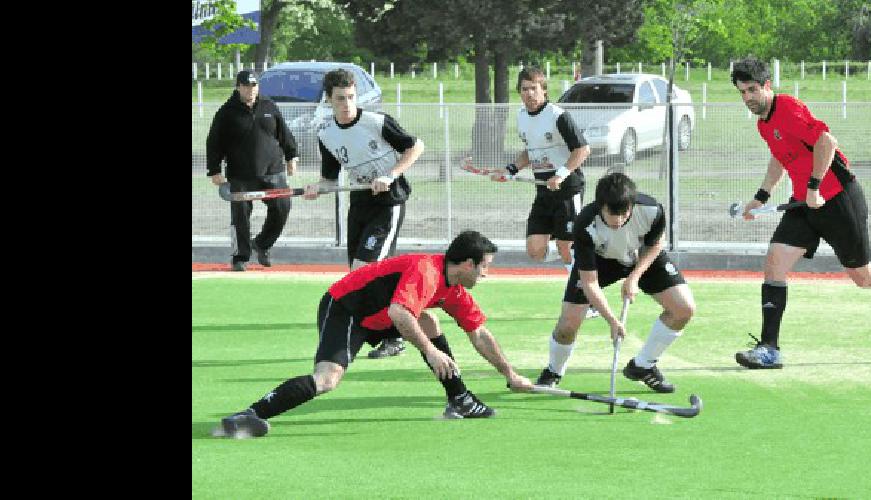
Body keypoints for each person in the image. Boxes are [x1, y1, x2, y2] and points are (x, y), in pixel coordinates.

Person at [728, 57, 871, 370]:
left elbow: (827, 143)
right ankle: (769, 349)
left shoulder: (788, 108)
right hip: (804, 204)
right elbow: (780, 159)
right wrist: (760, 197)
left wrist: (815, 186)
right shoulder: (764, 123)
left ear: (766, 86)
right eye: (741, 92)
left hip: (839, 200)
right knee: (775, 260)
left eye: (751, 90)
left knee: (864, 276)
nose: (747, 98)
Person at [216, 230, 535, 438]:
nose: (486, 273)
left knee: (429, 323)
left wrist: (511, 374)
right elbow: (400, 312)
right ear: (467, 264)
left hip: (381, 318)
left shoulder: (453, 289)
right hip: (347, 308)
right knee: (327, 379)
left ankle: (460, 400)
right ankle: (249, 415)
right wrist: (431, 351)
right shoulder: (426, 270)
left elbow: (480, 334)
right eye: (485, 267)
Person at [534, 172, 696, 394]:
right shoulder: (585, 224)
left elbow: (655, 245)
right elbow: (590, 282)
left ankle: (643, 366)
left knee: (683, 309)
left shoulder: (652, 210)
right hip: (601, 262)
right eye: (613, 214)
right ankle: (554, 370)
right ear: (601, 206)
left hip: (641, 256)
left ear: (631, 204)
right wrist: (612, 320)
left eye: (624, 213)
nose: (619, 220)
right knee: (568, 324)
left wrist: (634, 277)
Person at [302, 68, 426, 359]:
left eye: (351, 97)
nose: (347, 104)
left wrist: (391, 174)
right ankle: (390, 329)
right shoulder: (326, 133)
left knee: (366, 271)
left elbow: (416, 146)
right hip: (359, 204)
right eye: (340, 99)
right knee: (360, 275)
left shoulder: (376, 122)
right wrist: (316, 188)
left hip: (388, 203)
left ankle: (393, 336)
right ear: (329, 100)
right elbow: (330, 180)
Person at [463, 65, 599, 317]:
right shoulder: (521, 116)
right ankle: (579, 257)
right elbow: (531, 151)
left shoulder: (558, 115)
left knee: (567, 247)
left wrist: (561, 173)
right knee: (535, 251)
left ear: (544, 90)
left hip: (567, 188)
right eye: (524, 89)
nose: (529, 94)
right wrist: (511, 169)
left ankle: (586, 299)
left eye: (534, 89)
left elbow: (582, 150)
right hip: (543, 190)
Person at [206, 70, 299, 271]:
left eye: (254, 86)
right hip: (240, 174)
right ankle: (240, 256)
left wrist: (292, 156)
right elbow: (214, 143)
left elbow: (284, 133)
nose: (251, 90)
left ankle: (262, 244)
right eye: (246, 86)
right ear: (238, 87)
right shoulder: (226, 112)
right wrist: (214, 170)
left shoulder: (269, 106)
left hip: (273, 171)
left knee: (283, 206)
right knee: (240, 215)